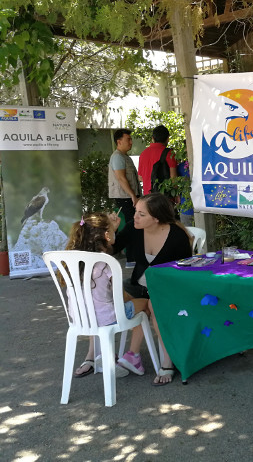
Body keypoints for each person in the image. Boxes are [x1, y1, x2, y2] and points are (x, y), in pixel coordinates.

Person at [111, 192, 193, 386]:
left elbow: (184, 271)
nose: (134, 217)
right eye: (136, 211)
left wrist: (160, 292)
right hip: (139, 286)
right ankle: (112, 356)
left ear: (156, 219)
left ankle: (166, 362)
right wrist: (112, 232)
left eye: (141, 214)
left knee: (154, 306)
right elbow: (111, 250)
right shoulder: (134, 228)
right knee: (107, 303)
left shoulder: (177, 236)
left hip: (169, 288)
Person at [64, 213, 149, 378]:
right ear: (106, 235)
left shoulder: (73, 261)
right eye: (111, 230)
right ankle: (133, 356)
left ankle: (101, 355)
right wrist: (132, 301)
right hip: (107, 318)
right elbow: (119, 296)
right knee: (145, 305)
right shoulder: (106, 264)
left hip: (81, 318)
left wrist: (111, 230)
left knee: (101, 307)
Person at [108, 128, 141, 268]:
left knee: (135, 225)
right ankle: (131, 258)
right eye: (128, 139)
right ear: (119, 141)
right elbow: (121, 178)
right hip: (125, 197)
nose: (131, 142)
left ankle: (134, 257)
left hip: (130, 197)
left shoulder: (125, 156)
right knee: (132, 226)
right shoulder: (117, 157)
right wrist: (133, 195)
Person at [138, 124, 177, 196]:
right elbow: (173, 179)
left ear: (153, 138)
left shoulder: (143, 154)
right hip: (164, 197)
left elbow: (140, 177)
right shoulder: (169, 153)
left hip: (147, 197)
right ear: (168, 138)